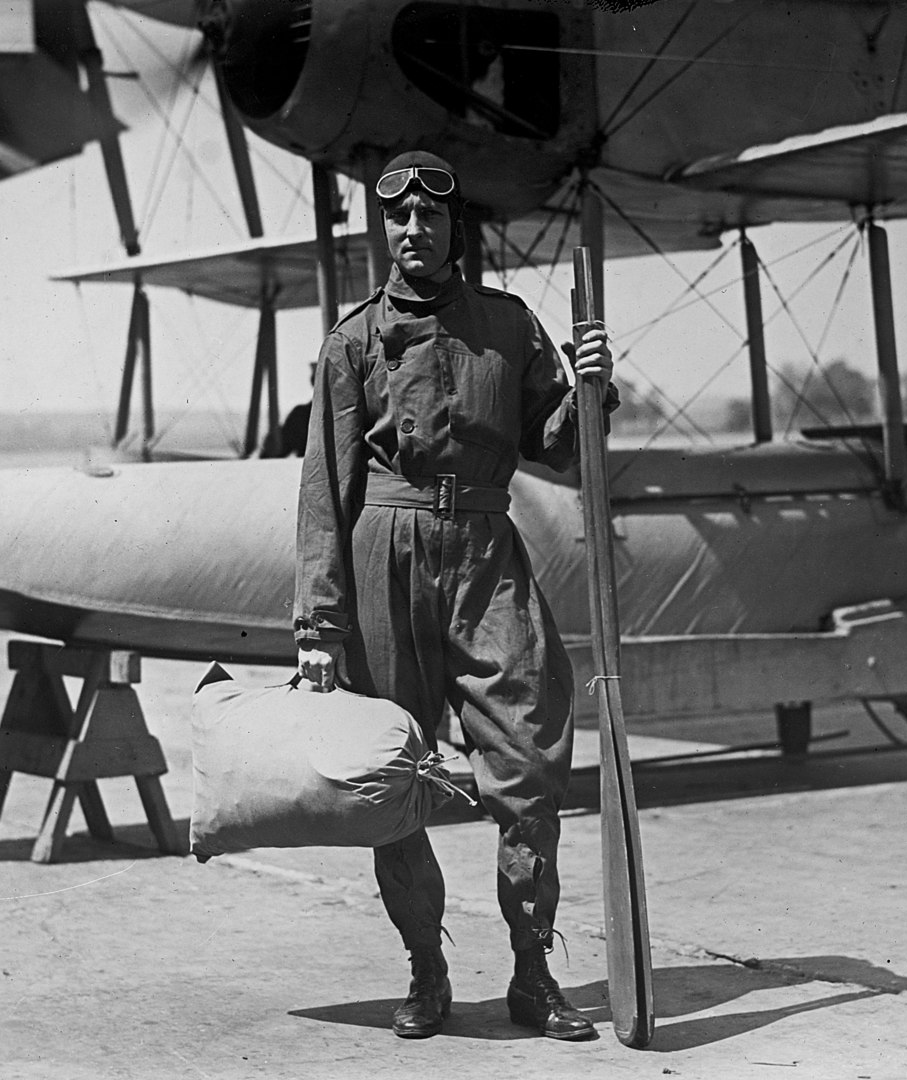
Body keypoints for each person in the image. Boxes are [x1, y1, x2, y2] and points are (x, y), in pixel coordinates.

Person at [293, 150, 616, 1042]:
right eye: (396, 220)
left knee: (528, 759)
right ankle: (427, 973)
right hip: (381, 560)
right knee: (391, 775)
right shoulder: (351, 340)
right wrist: (319, 625)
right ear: (383, 230)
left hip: (485, 552)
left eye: (429, 219)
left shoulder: (508, 327)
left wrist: (589, 388)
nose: (412, 233)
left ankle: (531, 972)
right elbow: (325, 484)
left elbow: (555, 442)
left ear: (452, 228)